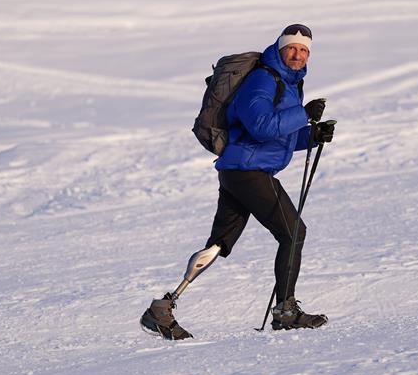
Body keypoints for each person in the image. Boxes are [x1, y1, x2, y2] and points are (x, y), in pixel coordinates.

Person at [141, 24, 335, 340]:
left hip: (241, 170)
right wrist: (302, 115)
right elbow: (259, 125)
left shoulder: (287, 82)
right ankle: (285, 311)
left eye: (304, 50)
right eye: (292, 48)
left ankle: (161, 309)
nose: (298, 54)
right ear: (281, 48)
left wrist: (311, 135)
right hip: (248, 171)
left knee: (220, 243)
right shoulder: (263, 78)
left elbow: (275, 136)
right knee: (293, 232)